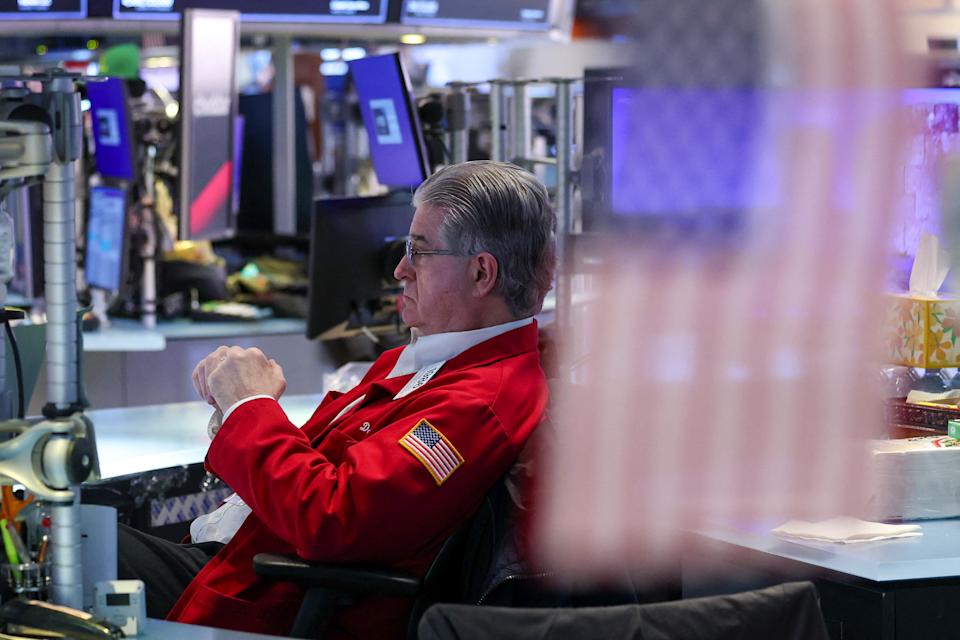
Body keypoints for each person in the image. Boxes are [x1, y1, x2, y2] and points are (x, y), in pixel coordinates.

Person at [118, 160, 556, 639]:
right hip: (242, 561)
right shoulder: (431, 359)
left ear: (481, 273)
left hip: (264, 600)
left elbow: (331, 518)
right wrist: (237, 409)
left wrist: (251, 407)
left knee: (70, 548)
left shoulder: (477, 404)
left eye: (419, 251)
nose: (400, 269)